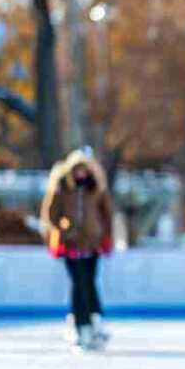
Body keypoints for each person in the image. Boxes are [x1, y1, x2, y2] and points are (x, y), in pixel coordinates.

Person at [39, 149, 113, 351]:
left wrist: (106, 236)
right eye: (77, 170)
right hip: (71, 243)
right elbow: (49, 214)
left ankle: (94, 320)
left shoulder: (96, 188)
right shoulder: (62, 188)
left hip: (92, 243)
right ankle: (81, 324)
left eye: (84, 169)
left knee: (88, 282)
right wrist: (64, 230)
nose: (81, 174)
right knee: (78, 283)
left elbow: (107, 214)